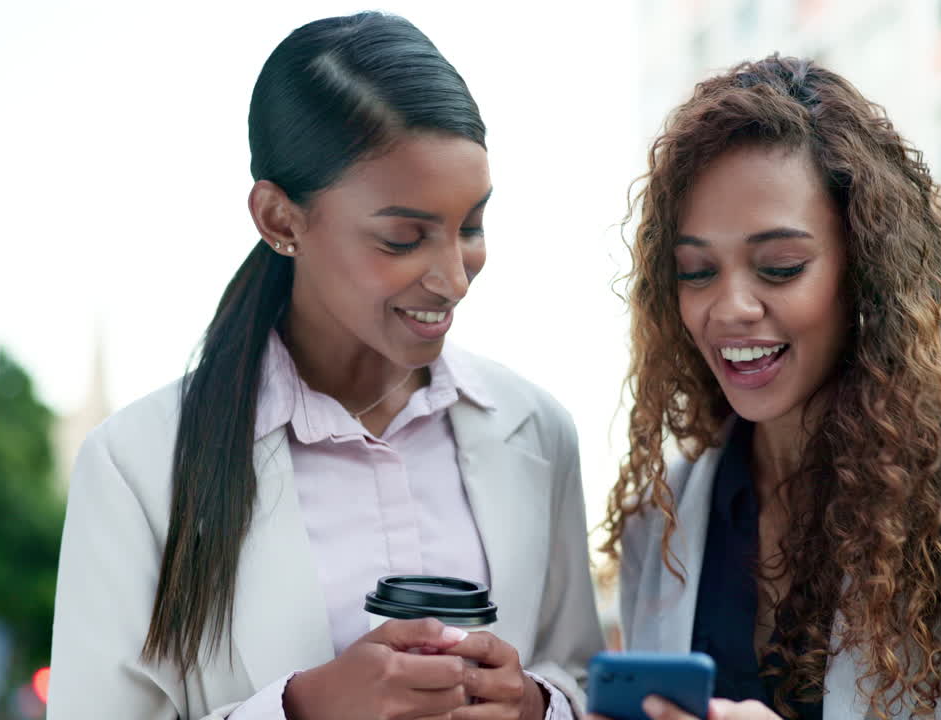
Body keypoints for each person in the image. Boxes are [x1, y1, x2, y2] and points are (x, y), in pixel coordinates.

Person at [47, 13, 603, 720]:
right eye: (404, 238)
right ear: (281, 220)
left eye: (471, 227)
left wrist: (533, 703)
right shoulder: (137, 465)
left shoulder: (540, 433)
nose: (453, 279)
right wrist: (303, 709)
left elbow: (580, 675)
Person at [600, 55, 941, 720]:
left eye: (779, 267)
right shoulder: (656, 524)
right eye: (696, 272)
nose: (729, 308)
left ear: (864, 270)